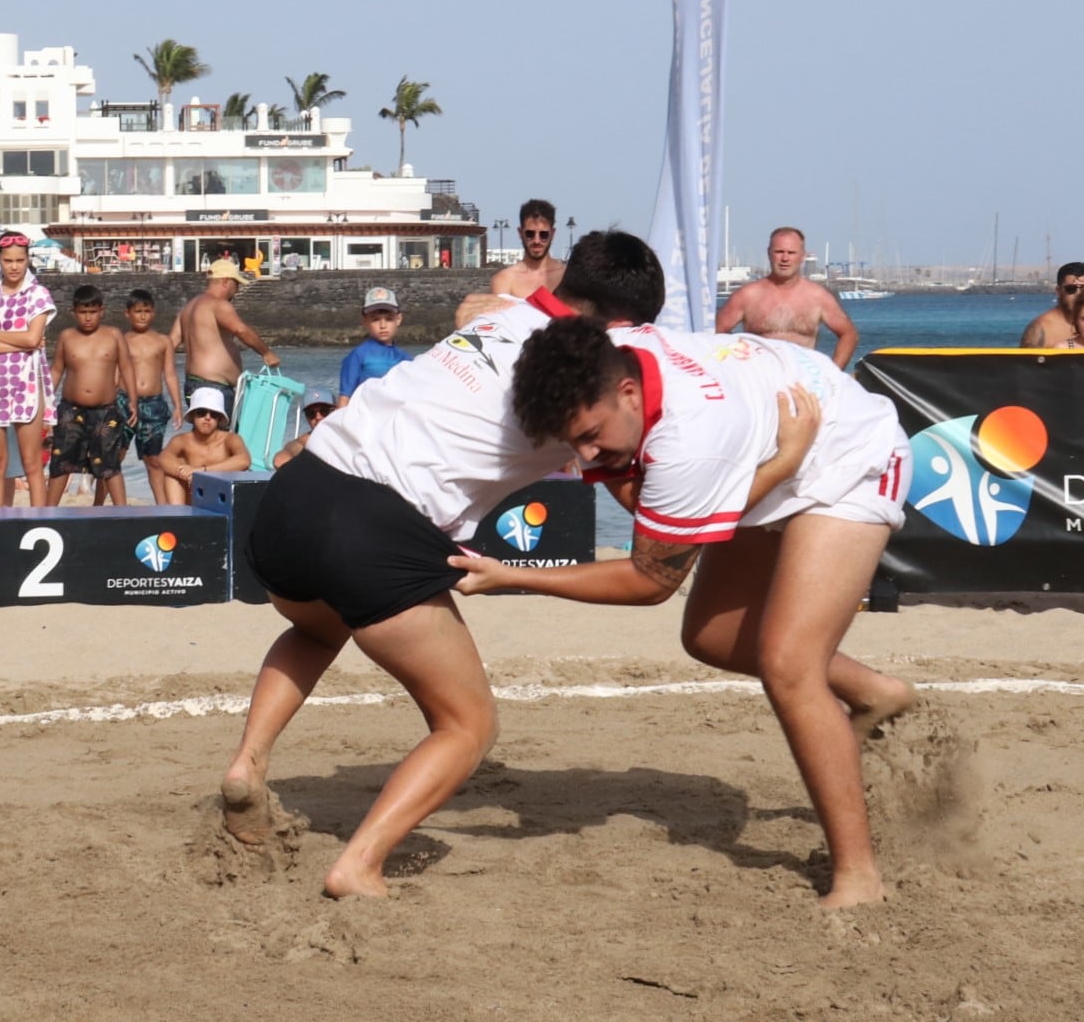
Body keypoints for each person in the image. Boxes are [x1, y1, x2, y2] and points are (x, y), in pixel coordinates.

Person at [220, 231, 725, 896]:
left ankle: (247, 764)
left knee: (316, 627)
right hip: (376, 527)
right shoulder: (579, 376)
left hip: (293, 493)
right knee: (468, 723)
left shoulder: (502, 314)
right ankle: (360, 862)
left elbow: (474, 310)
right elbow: (641, 500)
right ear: (623, 327)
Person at [462, 316, 913, 908]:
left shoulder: (690, 435)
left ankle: (859, 876)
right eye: (574, 441)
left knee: (789, 665)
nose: (585, 453)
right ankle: (877, 693)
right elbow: (640, 497)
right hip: (770, 448)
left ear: (628, 393)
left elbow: (650, 580)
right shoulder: (609, 360)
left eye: (592, 434)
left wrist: (510, 574)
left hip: (847, 455)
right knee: (712, 637)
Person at [0, 231, 56, 507]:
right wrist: (22, 341)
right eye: (8, 260)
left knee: (31, 462)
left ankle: (40, 520)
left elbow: (32, 338)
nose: (14, 266)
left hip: (26, 383)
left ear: (28, 260)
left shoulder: (38, 294)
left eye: (19, 260)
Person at [715, 225, 859, 369]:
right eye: (779, 252)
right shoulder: (748, 296)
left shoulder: (818, 297)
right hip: (759, 379)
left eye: (791, 252)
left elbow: (849, 335)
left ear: (802, 256)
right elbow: (714, 333)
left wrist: (832, 374)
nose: (785, 258)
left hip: (802, 382)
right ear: (769, 253)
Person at [46, 285, 139, 506]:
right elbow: (57, 370)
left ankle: (122, 513)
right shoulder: (67, 336)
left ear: (102, 310)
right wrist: (46, 404)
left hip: (106, 411)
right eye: (83, 312)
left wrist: (133, 401)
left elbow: (126, 368)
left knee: (109, 464)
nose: (88, 318)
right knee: (61, 461)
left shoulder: (114, 335)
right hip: (70, 409)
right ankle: (47, 512)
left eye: (92, 312)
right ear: (74, 312)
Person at [174, 257, 279, 420]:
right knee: (219, 442)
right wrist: (266, 353)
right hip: (213, 387)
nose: (236, 290)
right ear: (225, 281)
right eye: (235, 284)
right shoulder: (218, 305)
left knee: (204, 439)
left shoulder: (188, 309)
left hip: (192, 385)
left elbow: (169, 343)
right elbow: (240, 329)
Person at [116, 289, 182, 503]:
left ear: (153, 313)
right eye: (138, 311)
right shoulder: (121, 340)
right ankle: (104, 504)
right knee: (115, 456)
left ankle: (162, 506)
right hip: (124, 402)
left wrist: (178, 406)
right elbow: (114, 374)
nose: (142, 315)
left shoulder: (163, 341)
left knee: (153, 458)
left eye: (147, 311)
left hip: (154, 405)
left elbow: (170, 375)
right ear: (128, 313)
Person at [157, 387, 253, 503]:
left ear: (219, 418)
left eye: (214, 414)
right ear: (193, 415)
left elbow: (244, 461)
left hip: (222, 500)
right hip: (192, 498)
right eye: (202, 412)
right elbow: (164, 458)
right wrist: (185, 473)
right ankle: (178, 515)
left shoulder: (230, 439)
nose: (207, 418)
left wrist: (201, 472)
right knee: (171, 475)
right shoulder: (182, 440)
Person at [338, 287, 409, 402]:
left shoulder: (405, 359)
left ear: (398, 319)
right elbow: (345, 396)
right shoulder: (358, 355)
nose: (383, 325)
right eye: (375, 319)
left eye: (389, 319)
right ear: (365, 321)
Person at [487, 197, 564, 299]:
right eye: (530, 234)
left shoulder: (567, 277)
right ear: (520, 233)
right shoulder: (505, 280)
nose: (537, 240)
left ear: (553, 233)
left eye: (543, 234)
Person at [1020, 262, 1084, 348]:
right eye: (1070, 289)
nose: (1078, 294)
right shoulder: (1041, 329)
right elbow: (1025, 361)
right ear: (1058, 291)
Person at [271, 387, 336, 469]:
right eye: (311, 413)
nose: (318, 417)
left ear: (335, 411)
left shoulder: (348, 434)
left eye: (324, 411)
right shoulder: (305, 441)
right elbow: (280, 460)